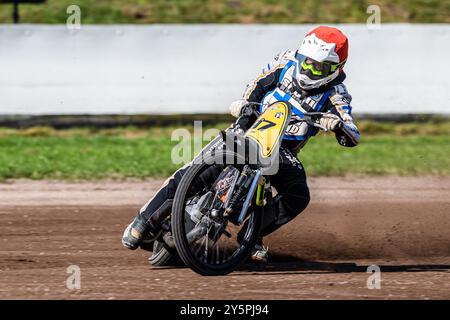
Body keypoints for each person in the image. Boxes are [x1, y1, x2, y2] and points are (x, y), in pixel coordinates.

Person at [122, 26, 360, 262]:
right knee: (196, 170)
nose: (309, 70)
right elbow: (256, 85)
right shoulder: (284, 62)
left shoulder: (337, 94)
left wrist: (338, 126)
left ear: (336, 69)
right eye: (306, 62)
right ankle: (143, 221)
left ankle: (252, 234)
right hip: (249, 128)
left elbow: (352, 132)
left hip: (281, 150)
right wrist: (244, 106)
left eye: (319, 67)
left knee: (298, 195)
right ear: (299, 55)